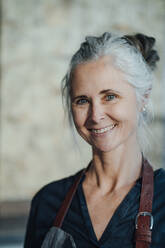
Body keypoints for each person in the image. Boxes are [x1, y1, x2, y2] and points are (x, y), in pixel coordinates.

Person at [24, 32, 165, 248]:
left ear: (143, 97)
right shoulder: (47, 202)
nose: (95, 116)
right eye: (82, 101)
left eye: (109, 96)